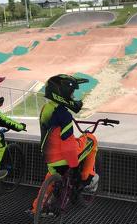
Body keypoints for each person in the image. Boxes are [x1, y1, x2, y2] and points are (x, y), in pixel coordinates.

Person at [29, 74, 99, 215]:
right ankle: (87, 176)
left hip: (49, 156)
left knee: (51, 175)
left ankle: (37, 207)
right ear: (63, 94)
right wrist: (73, 164)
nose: (73, 97)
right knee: (91, 139)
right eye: (72, 93)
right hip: (65, 156)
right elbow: (68, 144)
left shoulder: (46, 109)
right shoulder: (64, 115)